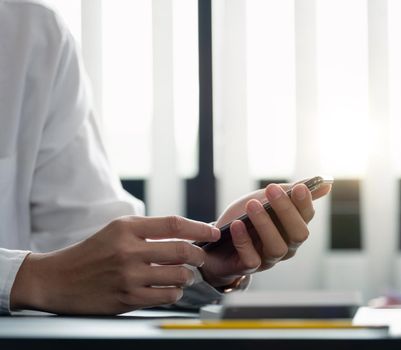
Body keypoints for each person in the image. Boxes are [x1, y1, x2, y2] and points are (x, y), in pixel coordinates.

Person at [0, 0, 331, 315]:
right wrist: (30, 278)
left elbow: (90, 253)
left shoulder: (32, 31)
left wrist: (204, 263)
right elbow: (60, 274)